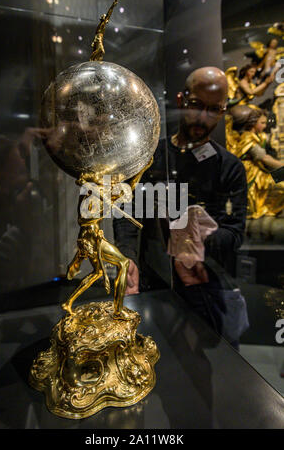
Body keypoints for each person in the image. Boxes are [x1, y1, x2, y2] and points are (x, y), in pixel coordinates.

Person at [113, 67, 249, 346]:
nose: (202, 117)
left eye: (213, 109)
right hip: (153, 282)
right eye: (196, 105)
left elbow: (234, 234)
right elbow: (127, 213)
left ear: (222, 111)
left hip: (204, 286)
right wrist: (127, 257)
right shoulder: (151, 156)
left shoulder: (230, 167)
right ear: (180, 100)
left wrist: (199, 237)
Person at [227, 107, 284, 219]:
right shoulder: (248, 138)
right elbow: (265, 158)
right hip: (251, 175)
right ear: (253, 123)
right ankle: (266, 208)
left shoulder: (259, 136)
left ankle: (271, 209)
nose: (265, 126)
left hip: (260, 171)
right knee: (281, 184)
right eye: (262, 123)